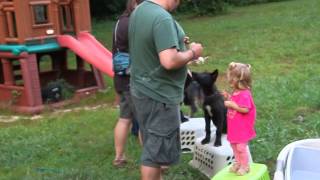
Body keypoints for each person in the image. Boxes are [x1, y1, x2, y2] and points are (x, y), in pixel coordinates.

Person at [129, 0, 203, 179]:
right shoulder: (162, 18)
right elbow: (169, 61)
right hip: (160, 94)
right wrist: (193, 52)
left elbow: (150, 43)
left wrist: (176, 41)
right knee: (154, 155)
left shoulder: (140, 11)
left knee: (150, 141)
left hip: (141, 88)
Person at [112, 0, 143, 168]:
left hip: (120, 78)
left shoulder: (120, 21)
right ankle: (151, 160)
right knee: (144, 121)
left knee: (124, 119)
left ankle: (119, 157)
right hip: (133, 80)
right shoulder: (134, 23)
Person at [223, 62, 256, 176]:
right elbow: (235, 100)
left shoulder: (245, 94)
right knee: (234, 146)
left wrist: (232, 105)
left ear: (240, 81)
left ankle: (245, 166)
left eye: (231, 79)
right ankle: (238, 162)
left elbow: (245, 109)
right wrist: (228, 97)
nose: (230, 81)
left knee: (241, 147)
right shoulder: (237, 92)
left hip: (242, 127)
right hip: (234, 127)